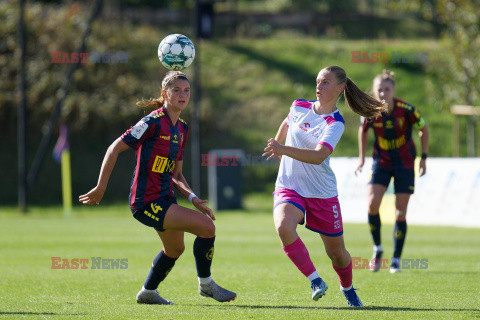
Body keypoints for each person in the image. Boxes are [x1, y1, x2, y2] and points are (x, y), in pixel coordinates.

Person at [79, 71, 236, 305]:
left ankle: (148, 292)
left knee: (174, 249)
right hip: (146, 202)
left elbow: (177, 175)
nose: (183, 95)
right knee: (206, 227)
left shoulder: (181, 128)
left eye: (186, 90)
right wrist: (101, 186)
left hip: (165, 199)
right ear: (164, 94)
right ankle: (206, 285)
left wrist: (192, 197)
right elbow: (114, 148)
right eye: (177, 90)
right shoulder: (151, 122)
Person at [263, 65, 386, 307]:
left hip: (322, 193)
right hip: (290, 187)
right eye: (318, 81)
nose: (319, 86)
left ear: (340, 88)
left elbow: (319, 155)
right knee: (283, 226)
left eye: (326, 82)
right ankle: (315, 281)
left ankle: (348, 289)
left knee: (337, 255)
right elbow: (286, 126)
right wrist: (278, 146)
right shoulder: (298, 106)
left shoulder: (335, 123)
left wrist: (283, 150)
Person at [355, 70, 429, 273]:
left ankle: (396, 258)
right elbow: (362, 131)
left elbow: (424, 129)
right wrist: (361, 159)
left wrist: (424, 157)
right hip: (382, 162)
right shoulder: (370, 111)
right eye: (379, 89)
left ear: (393, 90)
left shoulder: (407, 110)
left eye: (386, 89)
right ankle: (377, 248)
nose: (382, 93)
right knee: (372, 205)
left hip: (405, 163)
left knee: (400, 212)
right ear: (374, 91)